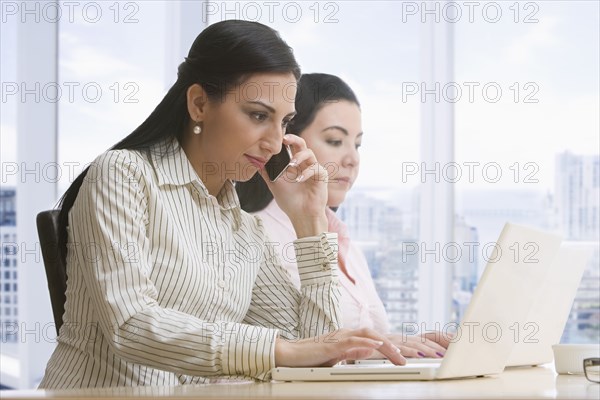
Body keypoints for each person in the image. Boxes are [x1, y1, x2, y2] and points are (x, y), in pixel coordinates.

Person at [38, 21, 405, 389]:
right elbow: (131, 325)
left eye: (285, 121)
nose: (275, 142)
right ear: (199, 103)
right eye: (259, 115)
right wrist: (282, 350)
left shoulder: (243, 227)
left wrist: (309, 223)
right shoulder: (124, 175)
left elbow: (312, 353)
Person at [236, 73, 450, 358]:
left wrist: (401, 345)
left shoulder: (346, 244)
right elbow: (288, 348)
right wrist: (368, 349)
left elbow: (352, 337)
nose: (352, 159)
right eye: (335, 141)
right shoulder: (253, 233)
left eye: (357, 144)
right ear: (287, 143)